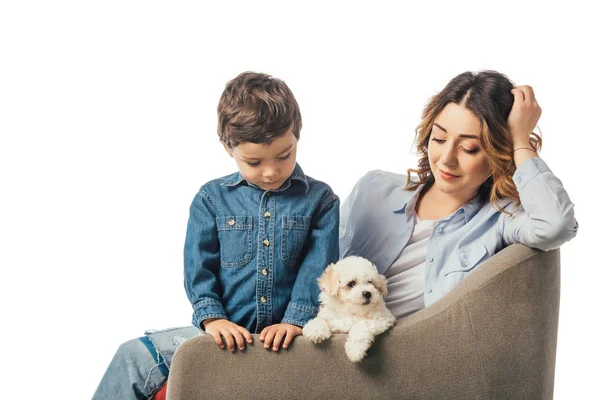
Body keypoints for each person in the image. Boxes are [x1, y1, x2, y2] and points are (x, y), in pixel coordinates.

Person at [92, 72, 340, 399]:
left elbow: (319, 270)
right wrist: (212, 319)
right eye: (253, 161)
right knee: (132, 356)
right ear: (228, 148)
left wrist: (296, 320)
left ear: (297, 135)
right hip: (221, 337)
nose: (271, 171)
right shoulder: (211, 199)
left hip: (290, 340)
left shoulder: (320, 201)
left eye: (284, 155)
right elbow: (199, 268)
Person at [339, 70, 578, 320]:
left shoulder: (499, 220)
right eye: (439, 138)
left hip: (405, 354)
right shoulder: (373, 189)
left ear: (499, 153)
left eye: (469, 148)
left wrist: (519, 141)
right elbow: (321, 268)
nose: (446, 159)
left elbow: (556, 225)